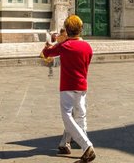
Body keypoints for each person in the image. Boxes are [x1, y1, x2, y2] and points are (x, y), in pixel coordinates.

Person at [41, 15, 96, 162]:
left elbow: (46, 54)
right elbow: (87, 62)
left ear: (67, 30)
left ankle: (87, 145)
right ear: (81, 29)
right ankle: (70, 145)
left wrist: (51, 41)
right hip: (82, 85)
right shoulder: (87, 47)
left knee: (67, 117)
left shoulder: (64, 46)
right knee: (80, 116)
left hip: (67, 86)